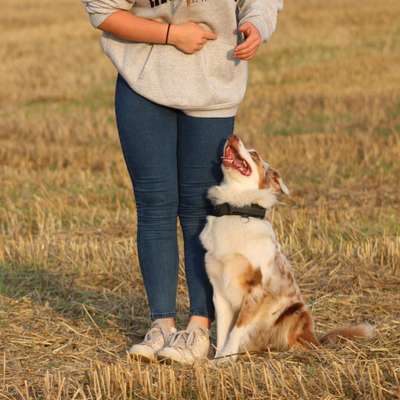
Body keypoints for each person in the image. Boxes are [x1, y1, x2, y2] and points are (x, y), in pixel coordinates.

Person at [81, 0, 283, 364]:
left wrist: (256, 24)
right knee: (155, 205)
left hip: (212, 85)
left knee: (199, 210)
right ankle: (161, 324)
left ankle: (199, 328)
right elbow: (103, 12)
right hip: (142, 84)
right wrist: (171, 34)